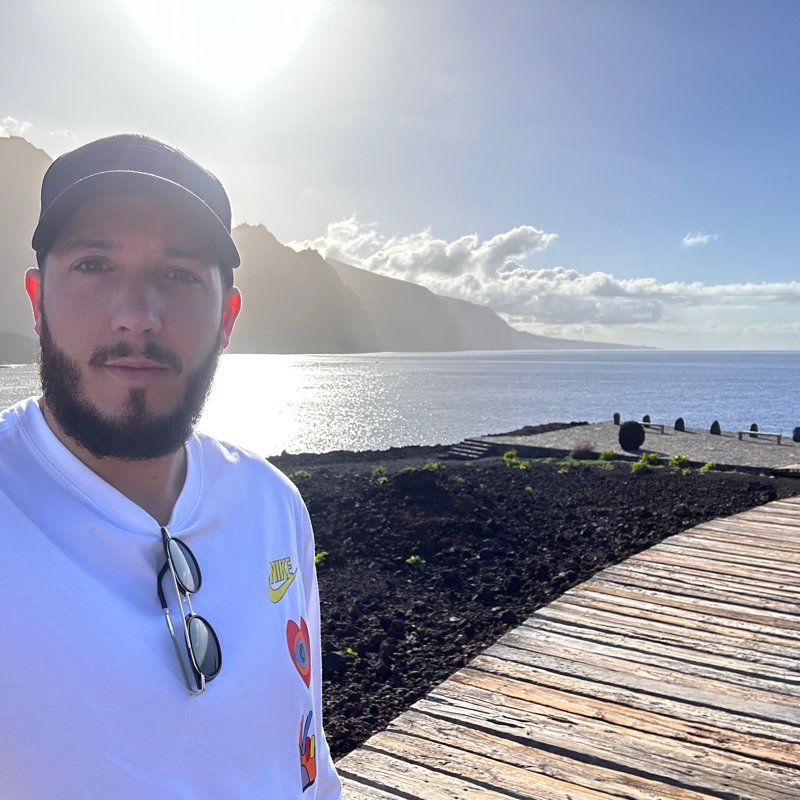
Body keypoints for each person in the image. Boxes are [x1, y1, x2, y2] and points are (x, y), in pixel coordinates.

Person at [0, 134, 342, 798]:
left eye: (180, 274)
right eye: (94, 265)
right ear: (37, 302)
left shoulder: (271, 505)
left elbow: (306, 758)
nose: (137, 317)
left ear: (227, 318)